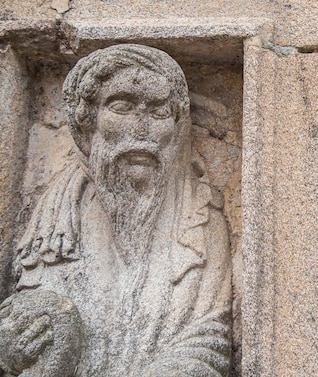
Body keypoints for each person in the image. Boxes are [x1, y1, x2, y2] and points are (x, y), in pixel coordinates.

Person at [0, 44, 232, 377]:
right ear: (88, 120)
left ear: (177, 127)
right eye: (122, 106)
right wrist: (12, 345)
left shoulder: (200, 220)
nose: (141, 128)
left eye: (158, 111)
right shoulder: (54, 222)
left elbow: (210, 337)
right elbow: (20, 322)